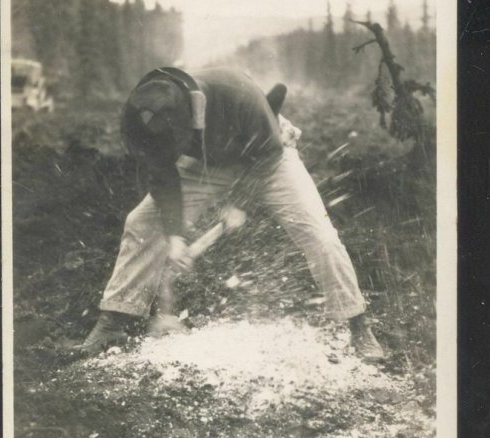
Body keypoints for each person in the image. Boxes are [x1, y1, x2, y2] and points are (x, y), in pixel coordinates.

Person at [75, 66, 384, 362]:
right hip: (211, 164)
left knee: (320, 236)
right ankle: (112, 323)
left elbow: (269, 152)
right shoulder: (152, 117)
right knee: (141, 222)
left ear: (194, 112)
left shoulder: (234, 91)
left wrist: (239, 203)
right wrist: (174, 235)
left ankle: (358, 324)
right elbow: (162, 174)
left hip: (269, 157)